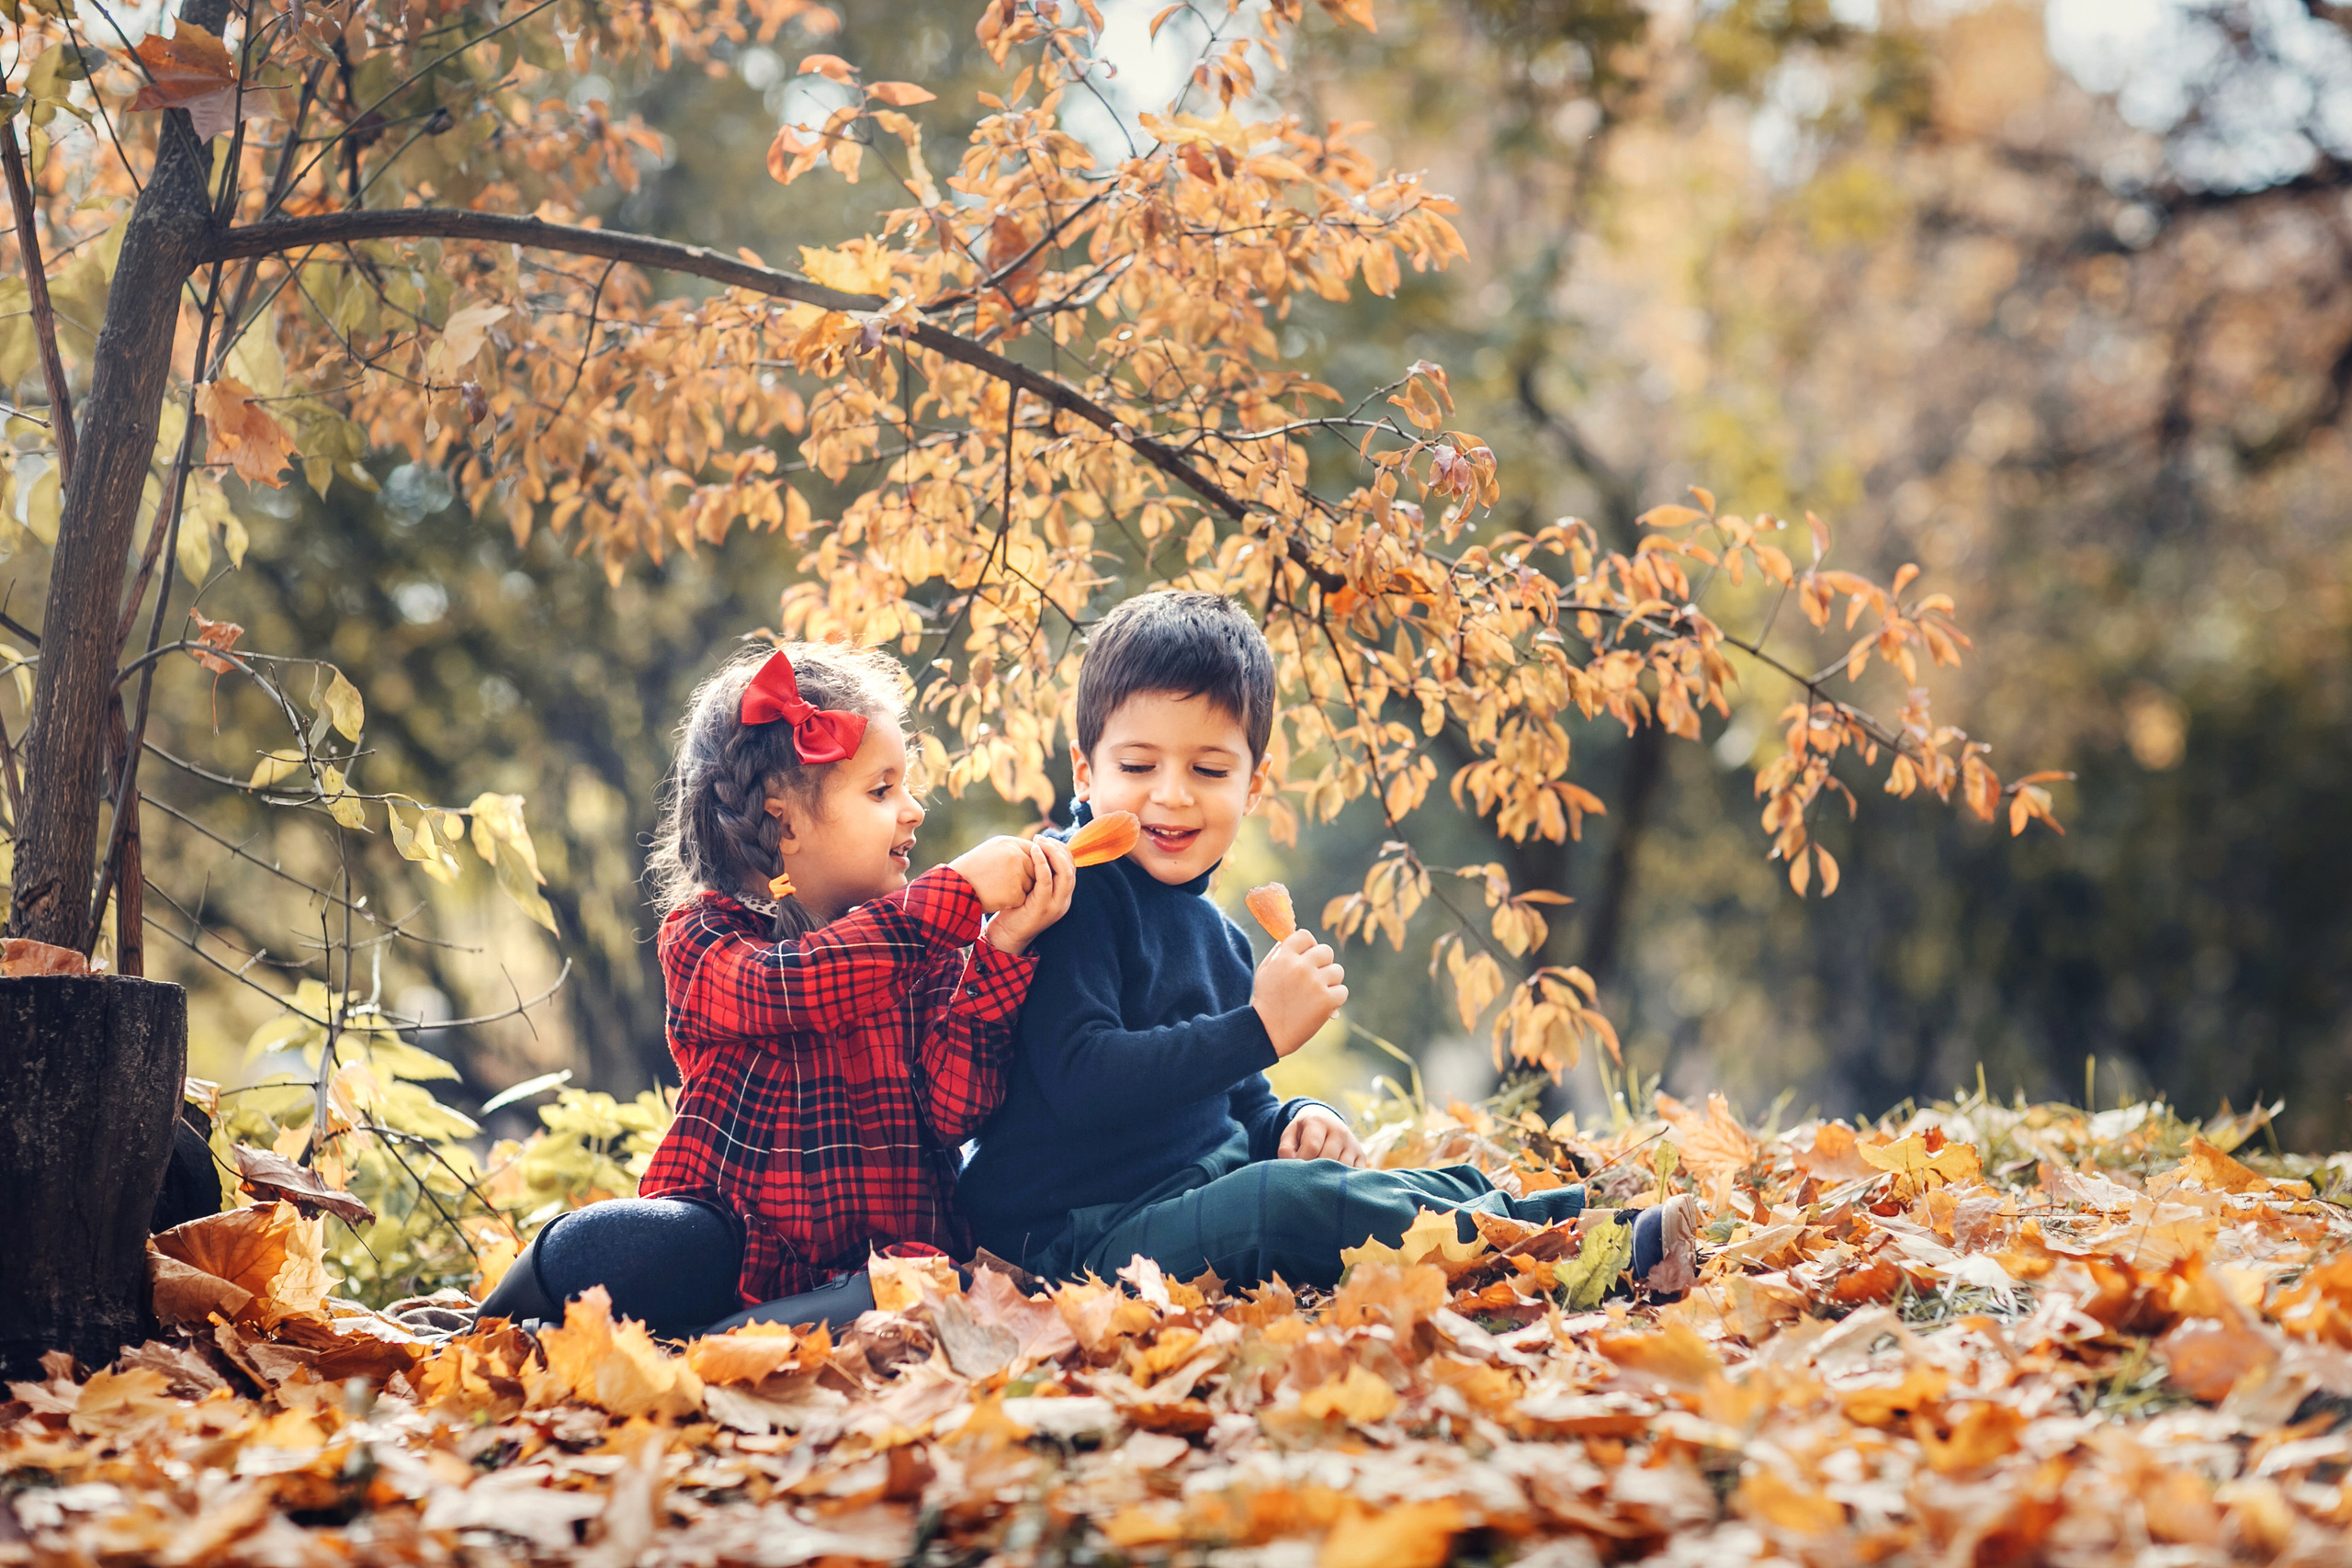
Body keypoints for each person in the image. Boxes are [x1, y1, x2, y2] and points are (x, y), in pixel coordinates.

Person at [956, 591, 1676, 1290]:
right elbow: (1084, 1081)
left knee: (1378, 1182)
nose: (1172, 794)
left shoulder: (1224, 939)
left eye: (1209, 769)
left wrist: (1296, 1118)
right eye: (1138, 766)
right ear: (1086, 770)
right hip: (1066, 1239)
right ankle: (1582, 1245)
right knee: (1277, 1205)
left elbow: (1237, 1101)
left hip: (1182, 1198)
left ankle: (1568, 1216)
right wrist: (1259, 1028)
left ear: (1254, 785)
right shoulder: (1065, 894)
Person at [478, 641, 1075, 1337]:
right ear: (784, 820)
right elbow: (791, 986)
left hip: (872, 1268)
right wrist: (961, 891)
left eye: (904, 786)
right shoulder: (703, 936)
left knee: (944, 1288)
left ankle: (713, 1346)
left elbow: (955, 1110)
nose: (913, 809)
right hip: (731, 1246)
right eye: (882, 790)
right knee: (617, 1241)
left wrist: (1001, 949)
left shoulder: (925, 945)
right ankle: (478, 1328)